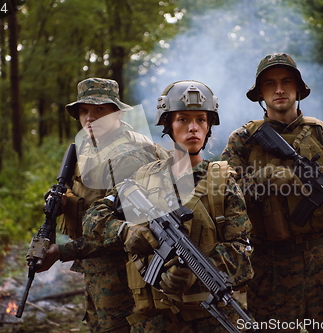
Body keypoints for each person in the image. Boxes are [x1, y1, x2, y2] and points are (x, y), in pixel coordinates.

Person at [81, 80, 254, 333]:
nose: (193, 128)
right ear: (168, 126)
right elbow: (93, 216)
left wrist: (197, 271)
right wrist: (125, 231)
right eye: (183, 119)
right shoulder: (141, 177)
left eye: (201, 120)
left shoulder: (223, 182)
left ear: (209, 126)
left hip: (209, 317)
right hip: (152, 321)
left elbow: (242, 253)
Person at [221, 53, 323, 332]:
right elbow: (226, 197)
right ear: (261, 92)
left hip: (322, 260)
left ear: (298, 89)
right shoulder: (242, 142)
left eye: (286, 82)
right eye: (270, 84)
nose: (280, 90)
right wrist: (268, 178)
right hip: (268, 264)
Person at [38, 77, 170, 333]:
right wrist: (61, 197)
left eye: (100, 109)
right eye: (84, 110)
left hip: (125, 271)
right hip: (97, 266)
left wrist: (62, 252)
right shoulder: (89, 145)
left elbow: (129, 232)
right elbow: (84, 191)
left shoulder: (129, 155)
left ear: (117, 113)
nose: (90, 118)